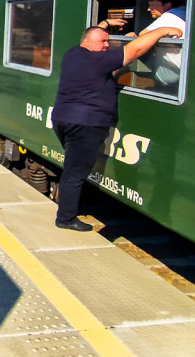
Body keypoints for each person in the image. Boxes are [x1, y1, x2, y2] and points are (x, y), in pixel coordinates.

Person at [51, 24, 183, 232]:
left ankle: (70, 204)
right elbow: (135, 51)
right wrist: (162, 31)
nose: (106, 45)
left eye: (108, 42)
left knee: (73, 166)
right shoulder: (97, 59)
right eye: (102, 41)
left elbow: (109, 70)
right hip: (85, 123)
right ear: (87, 40)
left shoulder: (74, 54)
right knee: (75, 171)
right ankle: (65, 218)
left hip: (63, 118)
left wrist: (118, 37)